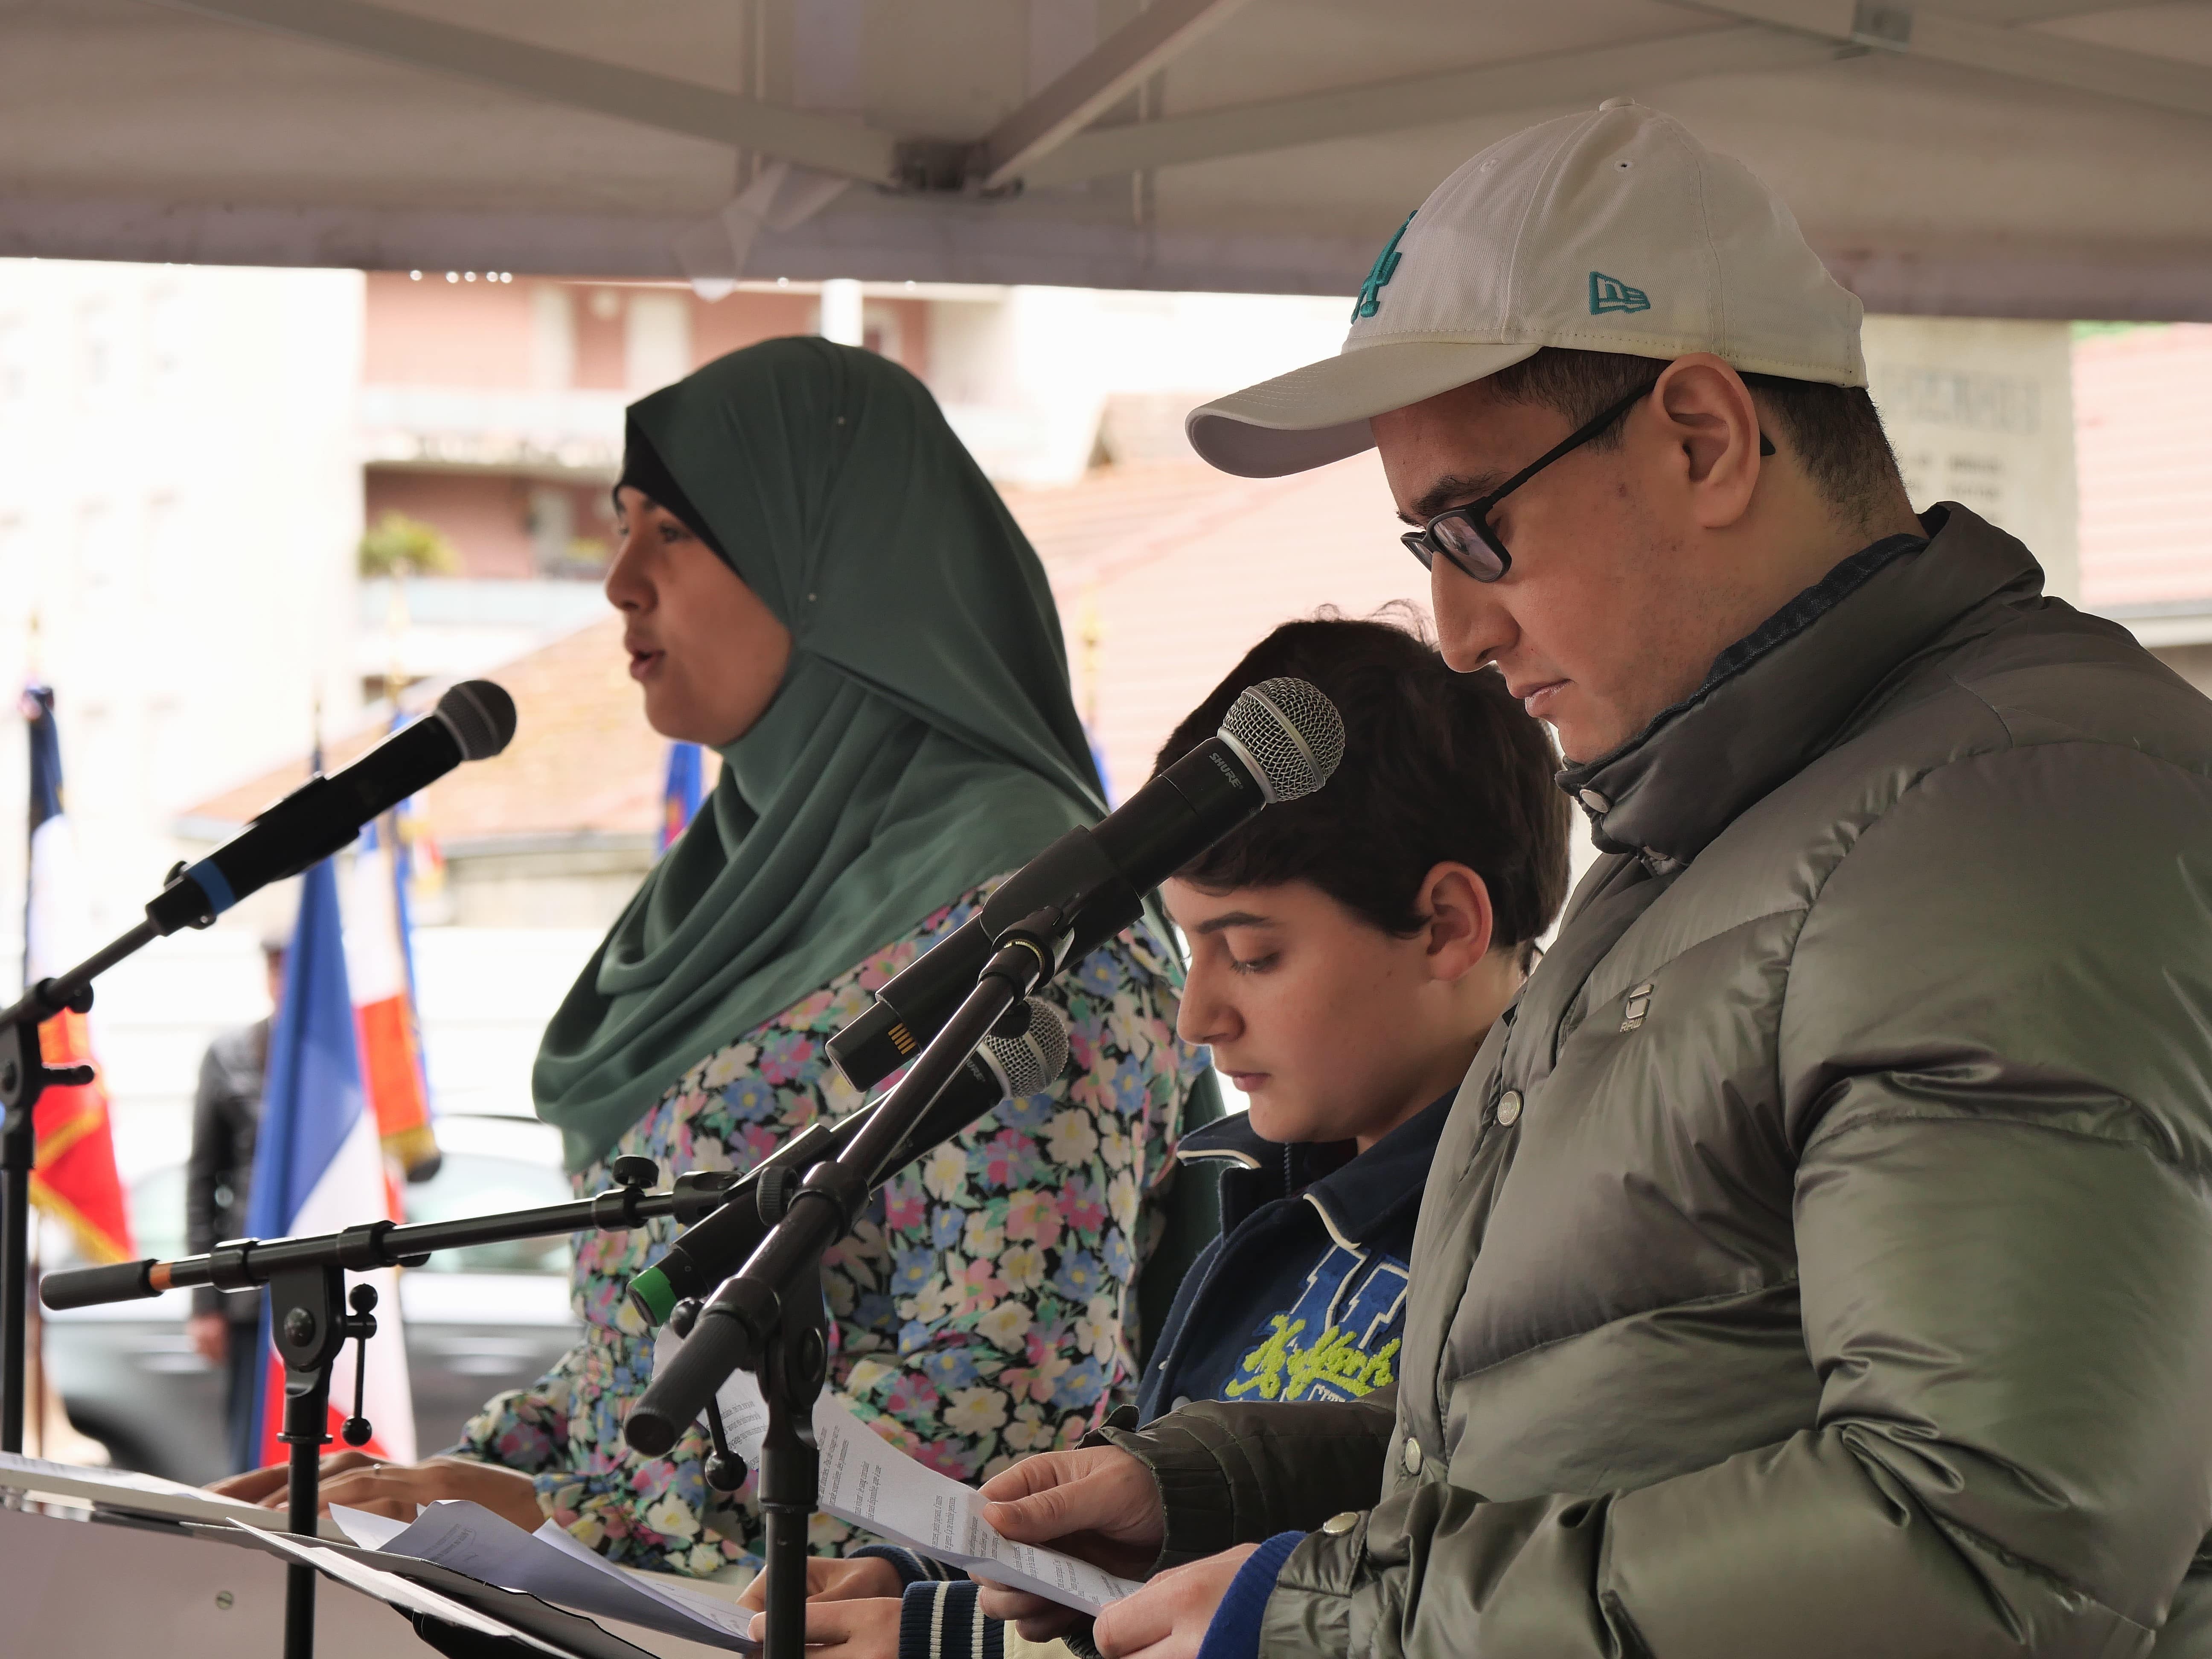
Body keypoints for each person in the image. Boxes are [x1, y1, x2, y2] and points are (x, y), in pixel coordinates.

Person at [969, 100, 2212, 1659]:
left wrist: (1351, 1623)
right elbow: (1613, 1436)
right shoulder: (1719, 818)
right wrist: (1225, 1489)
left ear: (1701, 438)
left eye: (1471, 531)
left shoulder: (2010, 817)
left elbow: (1987, 1541)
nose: (1454, 631)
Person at [215, 338, 1212, 1575]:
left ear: (833, 559)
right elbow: (639, 1353)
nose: (620, 580)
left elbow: (1005, 1401)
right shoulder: (730, 885)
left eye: (674, 531)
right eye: (619, 527)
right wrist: (449, 1488)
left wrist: (575, 1527)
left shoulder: (1036, 912)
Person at [742, 613, 1572, 1659]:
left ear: (1449, 923)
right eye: (1191, 949)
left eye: (1255, 954)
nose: (1197, 1016)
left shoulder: (1554, 1224)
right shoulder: (1269, 1193)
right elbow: (1162, 1546)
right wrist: (953, 1574)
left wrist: (950, 1637)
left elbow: (1420, 1588)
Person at [182, 934, 285, 1474]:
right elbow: (203, 1182)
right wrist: (206, 1304)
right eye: (276, 969)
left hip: (341, 1287)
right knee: (253, 1456)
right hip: (252, 1290)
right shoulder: (231, 1055)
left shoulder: (356, 1054)